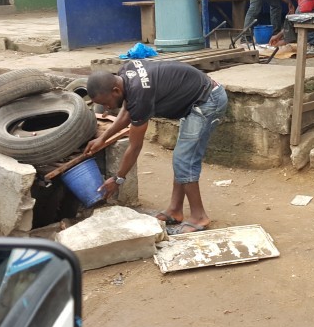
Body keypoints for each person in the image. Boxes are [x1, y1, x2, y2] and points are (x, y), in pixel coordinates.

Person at [85, 63, 227, 235]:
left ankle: (199, 217)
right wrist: (102, 138)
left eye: (106, 103)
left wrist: (118, 178)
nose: (107, 108)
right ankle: (175, 211)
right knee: (182, 157)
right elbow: (126, 112)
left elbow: (135, 146)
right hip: (196, 98)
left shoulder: (140, 95)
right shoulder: (125, 73)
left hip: (207, 101)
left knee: (184, 160)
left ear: (116, 90)